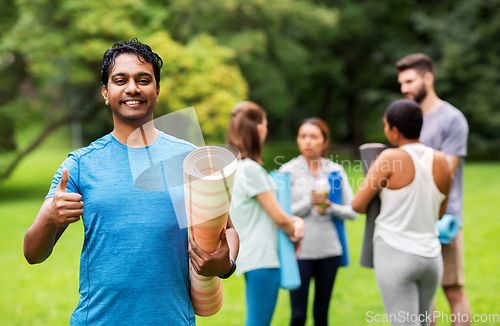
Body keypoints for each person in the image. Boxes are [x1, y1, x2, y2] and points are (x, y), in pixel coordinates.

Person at [23, 39, 239, 325]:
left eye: (143, 79)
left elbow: (228, 231)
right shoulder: (79, 165)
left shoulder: (189, 157)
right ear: (105, 92)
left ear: (157, 90)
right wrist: (50, 217)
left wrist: (226, 264)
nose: (132, 88)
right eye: (120, 80)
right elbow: (32, 253)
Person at [352, 99, 452, 326]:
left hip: (396, 253)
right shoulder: (442, 161)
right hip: (430, 257)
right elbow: (440, 212)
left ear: (394, 130)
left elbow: (357, 205)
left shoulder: (389, 158)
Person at [396, 53, 470, 326]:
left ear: (428, 78)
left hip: (444, 218)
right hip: (411, 220)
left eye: (409, 81)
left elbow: (445, 172)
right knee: (422, 295)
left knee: (452, 289)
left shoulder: (452, 119)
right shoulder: (404, 118)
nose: (404, 88)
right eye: (401, 83)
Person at [227, 101, 305, 326]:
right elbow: (280, 218)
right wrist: (297, 226)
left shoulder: (234, 168)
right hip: (263, 258)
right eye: (266, 125)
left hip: (251, 257)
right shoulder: (251, 169)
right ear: (258, 128)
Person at [277, 118, 356, 326]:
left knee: (322, 314)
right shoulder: (287, 171)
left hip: (330, 250)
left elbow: (352, 212)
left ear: (325, 141)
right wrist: (309, 202)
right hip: (299, 252)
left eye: (313, 137)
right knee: (298, 316)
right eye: (303, 136)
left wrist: (330, 206)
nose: (308, 142)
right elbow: (281, 214)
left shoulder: (336, 171)